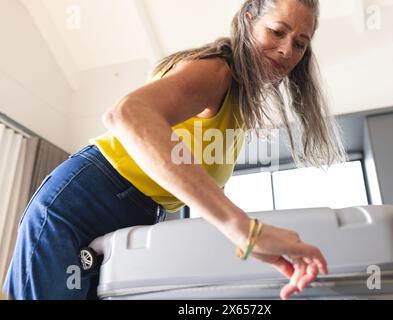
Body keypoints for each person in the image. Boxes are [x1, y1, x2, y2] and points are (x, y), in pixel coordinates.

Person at [3, 0, 346, 300]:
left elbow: (204, 195)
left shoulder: (239, 108)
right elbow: (126, 114)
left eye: (300, 44)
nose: (287, 50)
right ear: (247, 21)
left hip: (134, 216)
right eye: (277, 31)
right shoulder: (217, 71)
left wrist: (252, 247)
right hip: (82, 204)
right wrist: (246, 230)